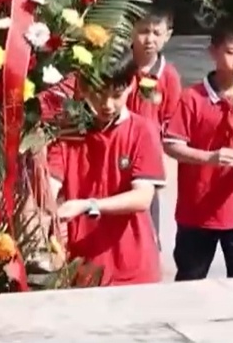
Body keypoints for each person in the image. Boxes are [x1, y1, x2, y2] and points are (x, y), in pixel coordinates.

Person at [48, 52, 166, 286]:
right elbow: (51, 184)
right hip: (82, 265)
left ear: (132, 85)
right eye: (100, 94)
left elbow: (142, 197)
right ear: (83, 87)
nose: (108, 105)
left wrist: (89, 205)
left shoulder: (141, 131)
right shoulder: (69, 131)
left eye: (117, 95)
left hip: (133, 267)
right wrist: (51, 218)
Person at [164, 19, 233, 279]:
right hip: (197, 211)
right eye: (231, 52)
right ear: (213, 52)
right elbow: (172, 144)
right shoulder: (192, 98)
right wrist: (209, 158)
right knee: (190, 281)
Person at [125, 6, 181, 240]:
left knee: (147, 224)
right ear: (131, 31)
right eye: (143, 31)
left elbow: (172, 122)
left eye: (157, 33)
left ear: (167, 35)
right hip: (116, 152)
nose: (150, 39)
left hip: (148, 161)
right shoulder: (120, 68)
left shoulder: (168, 75)